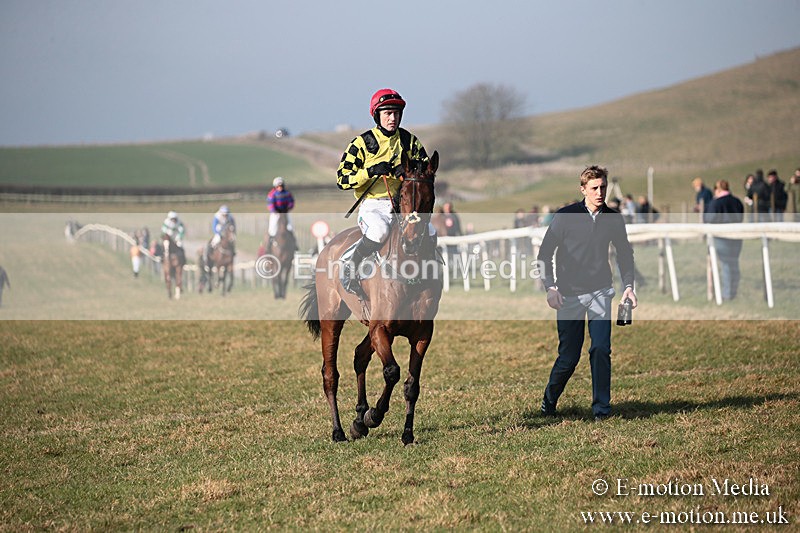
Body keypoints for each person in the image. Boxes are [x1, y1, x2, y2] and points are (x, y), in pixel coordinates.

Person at [537, 165, 637, 421]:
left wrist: (628, 286)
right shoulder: (565, 216)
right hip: (568, 294)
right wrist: (550, 287)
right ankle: (549, 400)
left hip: (601, 292)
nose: (600, 192)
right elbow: (544, 254)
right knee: (569, 358)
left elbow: (625, 253)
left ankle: (601, 410)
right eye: (594, 188)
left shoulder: (613, 218)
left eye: (603, 187)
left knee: (601, 349)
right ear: (583, 189)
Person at [336, 88, 430, 300]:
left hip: (403, 205)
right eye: (387, 113)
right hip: (372, 205)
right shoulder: (361, 144)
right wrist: (370, 171)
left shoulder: (409, 141)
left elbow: (425, 170)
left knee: (429, 231)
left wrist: (407, 171)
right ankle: (350, 266)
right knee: (379, 231)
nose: (393, 118)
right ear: (377, 115)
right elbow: (342, 180)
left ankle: (431, 275)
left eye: (396, 113)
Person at [704, 180, 745, 301]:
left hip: (721, 238)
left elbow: (709, 218)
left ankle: (727, 294)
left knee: (726, 264)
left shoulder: (715, 203)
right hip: (736, 238)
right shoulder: (737, 202)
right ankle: (733, 290)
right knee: (734, 263)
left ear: (717, 189)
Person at [266, 177, 295, 249]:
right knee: (272, 227)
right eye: (278, 186)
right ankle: (270, 243)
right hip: (276, 213)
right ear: (275, 187)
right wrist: (274, 211)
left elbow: (291, 202)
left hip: (285, 212)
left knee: (290, 226)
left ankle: (294, 243)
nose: (280, 188)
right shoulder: (272, 194)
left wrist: (289, 207)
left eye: (281, 186)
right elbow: (270, 204)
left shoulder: (287, 193)